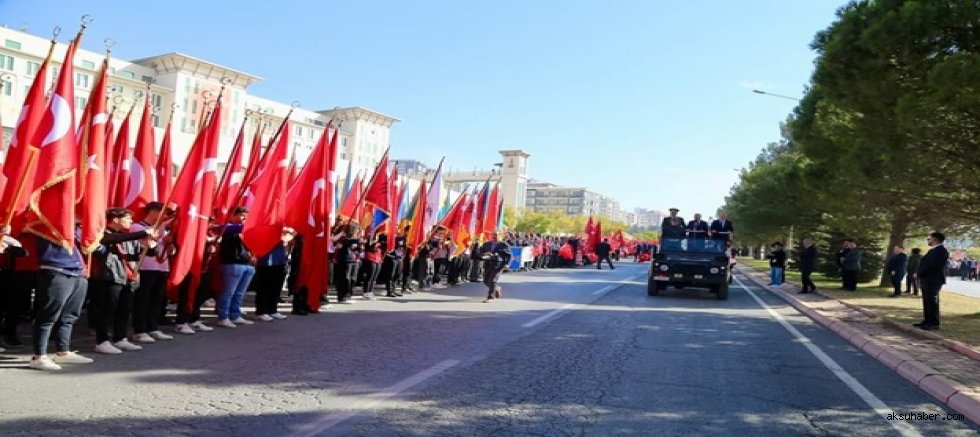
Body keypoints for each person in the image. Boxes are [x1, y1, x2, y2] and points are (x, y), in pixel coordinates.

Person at [90, 208, 159, 354]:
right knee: (107, 310)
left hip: (128, 277)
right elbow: (111, 240)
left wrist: (152, 246)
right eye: (127, 218)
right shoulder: (104, 233)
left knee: (124, 309)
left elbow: (144, 252)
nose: (131, 221)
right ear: (115, 219)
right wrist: (143, 232)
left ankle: (120, 338)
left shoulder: (128, 237)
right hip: (110, 276)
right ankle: (101, 341)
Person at [29, 225, 95, 370]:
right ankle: (39, 355)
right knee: (48, 315)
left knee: (69, 316)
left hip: (78, 272)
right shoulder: (44, 221)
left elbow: (95, 247)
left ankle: (63, 351)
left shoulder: (77, 228)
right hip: (56, 270)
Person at [130, 202, 175, 344]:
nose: (165, 216)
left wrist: (170, 243)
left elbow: (171, 251)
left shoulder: (164, 230)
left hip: (162, 268)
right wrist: (163, 225)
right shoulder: (137, 227)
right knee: (143, 300)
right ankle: (140, 331)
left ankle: (153, 327)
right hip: (146, 268)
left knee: (157, 300)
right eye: (163, 212)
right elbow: (152, 238)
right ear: (153, 212)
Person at [216, 207, 256, 328]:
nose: (244, 218)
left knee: (239, 293)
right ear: (233, 215)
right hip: (232, 264)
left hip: (247, 265)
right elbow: (236, 228)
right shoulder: (226, 227)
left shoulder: (244, 230)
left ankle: (235, 315)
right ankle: (223, 317)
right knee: (228, 292)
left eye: (246, 216)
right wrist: (255, 223)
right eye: (242, 215)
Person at [254, 227, 294, 321]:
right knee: (265, 287)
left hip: (279, 260)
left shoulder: (281, 229)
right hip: (267, 260)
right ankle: (261, 311)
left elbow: (288, 237)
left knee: (276, 286)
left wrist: (290, 232)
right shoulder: (266, 227)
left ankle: (273, 310)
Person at [915, 232, 949, 330]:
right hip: (926, 279)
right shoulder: (933, 251)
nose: (928, 240)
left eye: (929, 239)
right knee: (927, 300)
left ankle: (934, 322)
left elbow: (932, 265)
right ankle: (927, 320)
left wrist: (920, 273)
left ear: (935, 239)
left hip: (934, 279)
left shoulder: (941, 251)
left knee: (932, 300)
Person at [479, 235, 512, 303]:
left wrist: (507, 264)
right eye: (494, 235)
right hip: (488, 264)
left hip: (498, 265)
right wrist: (484, 254)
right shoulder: (486, 244)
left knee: (493, 280)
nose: (495, 237)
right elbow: (480, 252)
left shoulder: (504, 244)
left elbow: (509, 255)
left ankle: (490, 297)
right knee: (485, 281)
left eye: (497, 235)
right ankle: (496, 288)